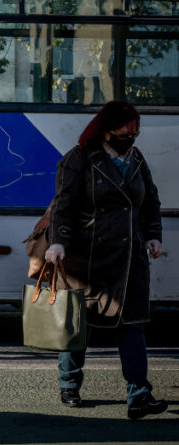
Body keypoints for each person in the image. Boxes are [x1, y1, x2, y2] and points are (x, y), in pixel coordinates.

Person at [46, 100, 167, 420]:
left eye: (135, 134)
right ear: (106, 130)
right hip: (87, 259)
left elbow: (150, 201)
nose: (131, 140)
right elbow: (63, 206)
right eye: (125, 134)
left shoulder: (136, 159)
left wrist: (153, 235)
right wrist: (58, 242)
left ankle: (139, 393)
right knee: (78, 325)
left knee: (132, 325)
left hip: (129, 259)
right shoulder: (79, 159)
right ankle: (69, 384)